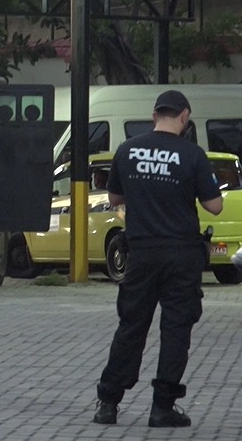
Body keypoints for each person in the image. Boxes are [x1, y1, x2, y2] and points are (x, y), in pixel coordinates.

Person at [93, 90, 223, 427]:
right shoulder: (192, 154)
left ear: (154, 116)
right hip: (181, 255)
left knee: (131, 325)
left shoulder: (127, 150)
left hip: (141, 253)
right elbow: (215, 206)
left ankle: (108, 402)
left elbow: (115, 195)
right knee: (176, 329)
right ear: (184, 117)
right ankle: (162, 407)